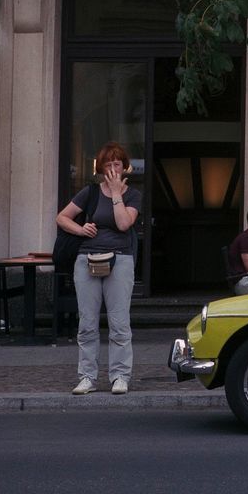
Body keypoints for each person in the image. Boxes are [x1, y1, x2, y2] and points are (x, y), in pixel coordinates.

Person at [56, 142, 141, 396]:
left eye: (117, 164)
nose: (113, 169)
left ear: (124, 167)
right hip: (87, 259)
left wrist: (116, 194)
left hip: (120, 259)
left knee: (119, 322)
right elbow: (62, 217)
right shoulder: (90, 192)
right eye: (108, 164)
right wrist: (81, 229)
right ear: (100, 168)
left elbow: (124, 224)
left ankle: (120, 376)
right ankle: (87, 377)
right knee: (88, 322)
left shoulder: (132, 195)